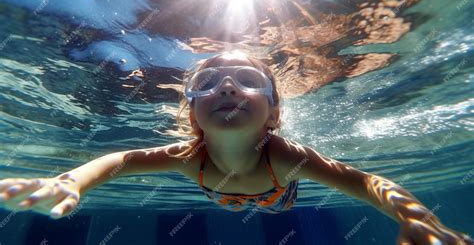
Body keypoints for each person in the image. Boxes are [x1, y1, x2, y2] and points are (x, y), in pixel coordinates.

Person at [0, 51, 472, 244]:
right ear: (191, 115)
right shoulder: (189, 156)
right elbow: (120, 160)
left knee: (278, 208)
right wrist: (69, 182)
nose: (226, 85)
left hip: (278, 196)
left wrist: (416, 218)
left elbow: (367, 183)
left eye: (247, 81)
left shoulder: (286, 156)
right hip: (220, 194)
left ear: (273, 112)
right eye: (206, 84)